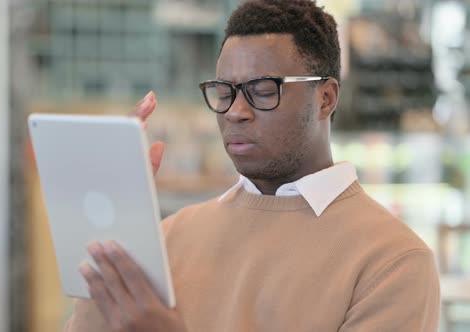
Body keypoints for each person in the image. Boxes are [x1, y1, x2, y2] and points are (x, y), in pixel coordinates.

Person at [66, 1, 440, 331]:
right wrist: (117, 225)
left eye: (263, 92)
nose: (235, 112)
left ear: (325, 98)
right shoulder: (170, 236)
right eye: (224, 92)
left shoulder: (393, 262)